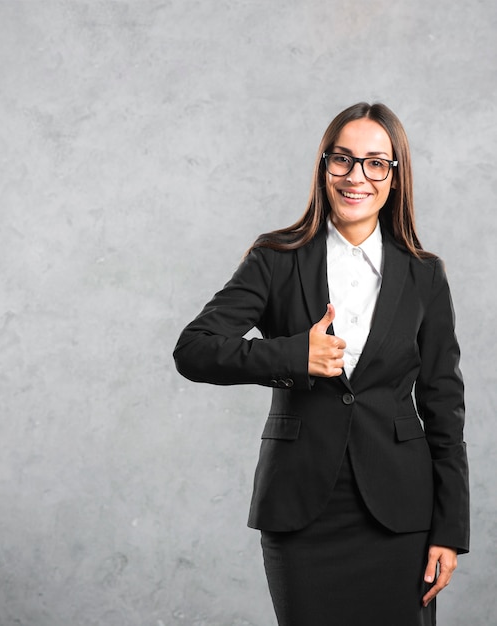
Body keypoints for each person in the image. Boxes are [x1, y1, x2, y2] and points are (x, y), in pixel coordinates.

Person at [173, 102, 469, 626]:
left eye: (376, 163)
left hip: (401, 514)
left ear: (395, 176)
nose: (357, 176)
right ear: (324, 167)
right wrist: (293, 355)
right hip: (301, 511)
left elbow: (444, 406)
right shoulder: (276, 259)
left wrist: (449, 528)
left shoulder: (425, 275)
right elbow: (194, 349)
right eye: (343, 160)